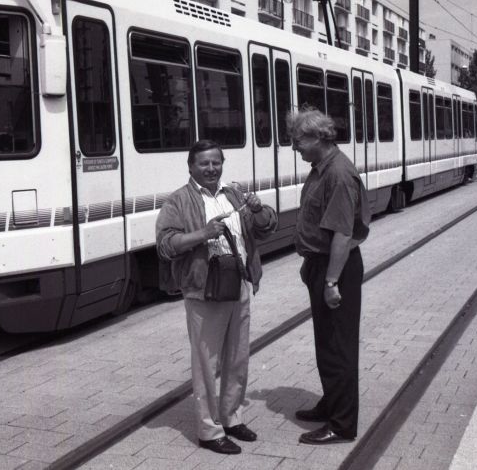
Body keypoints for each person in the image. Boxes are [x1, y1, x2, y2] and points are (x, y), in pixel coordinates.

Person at [155, 140, 277, 455]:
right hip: (203, 290)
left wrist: (258, 210)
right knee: (207, 364)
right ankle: (209, 431)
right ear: (191, 167)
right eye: (204, 164)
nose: (211, 169)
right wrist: (201, 235)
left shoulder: (234, 194)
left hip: (238, 285)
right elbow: (165, 245)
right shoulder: (179, 201)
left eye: (216, 163)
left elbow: (265, 229)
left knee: (237, 359)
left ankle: (232, 417)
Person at [288, 108, 370, 445]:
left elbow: (341, 234)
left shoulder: (337, 174)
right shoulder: (321, 168)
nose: (295, 147)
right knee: (327, 343)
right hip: (322, 265)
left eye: (298, 140)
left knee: (338, 347)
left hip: (337, 268)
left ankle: (342, 424)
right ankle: (331, 403)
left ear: (318, 137)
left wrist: (332, 282)